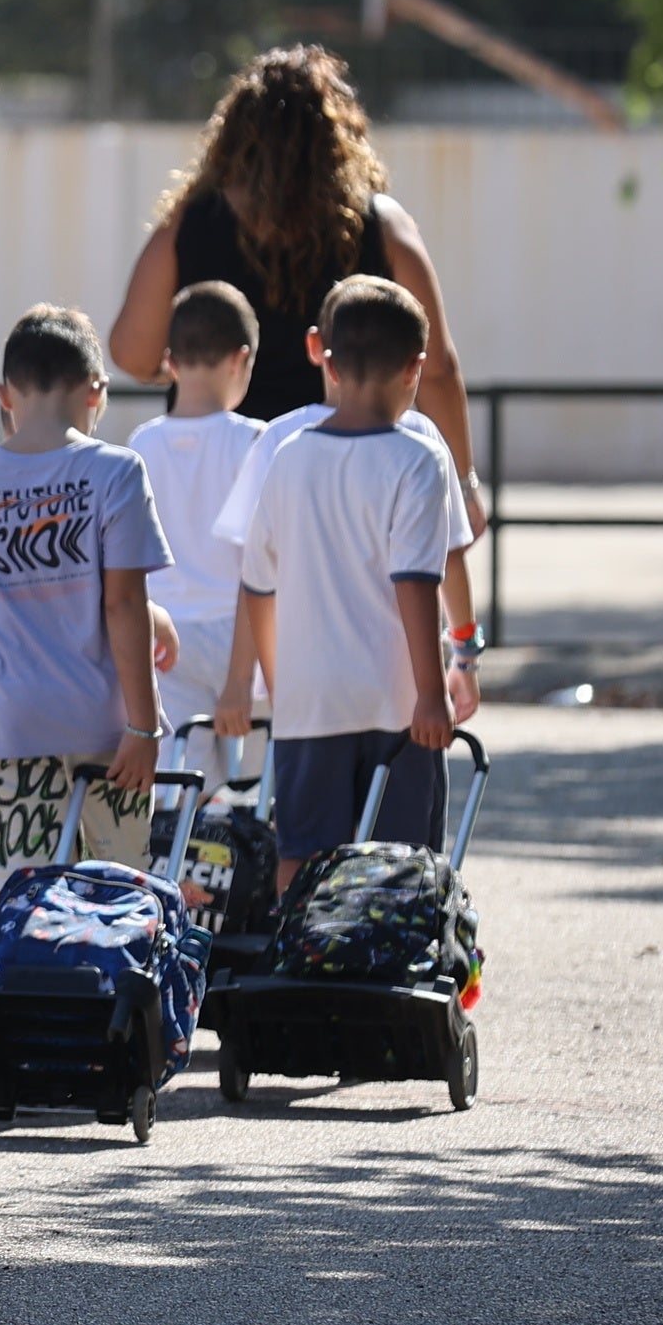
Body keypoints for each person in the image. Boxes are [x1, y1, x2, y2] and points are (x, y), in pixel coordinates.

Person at [107, 45, 485, 532]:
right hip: (348, 474)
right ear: (338, 135)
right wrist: (464, 485)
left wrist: (200, 371)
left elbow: (133, 353)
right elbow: (436, 369)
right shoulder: (381, 225)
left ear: (235, 134)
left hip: (227, 483)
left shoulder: (192, 221)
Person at [0, 307, 174, 940]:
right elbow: (122, 605)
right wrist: (144, 724)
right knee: (118, 890)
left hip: (7, 726)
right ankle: (107, 1002)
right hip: (106, 728)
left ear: (4, 395)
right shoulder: (116, 471)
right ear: (96, 392)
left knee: (7, 886)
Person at [223, 277, 465, 887]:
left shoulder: (289, 455)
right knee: (402, 860)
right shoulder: (419, 459)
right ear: (415, 368)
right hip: (394, 700)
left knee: (301, 853)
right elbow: (416, 583)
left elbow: (257, 585)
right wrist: (431, 693)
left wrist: (280, 683)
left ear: (326, 360)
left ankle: (298, 943)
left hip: (309, 700)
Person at [129, 283, 267, 740]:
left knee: (180, 778)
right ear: (240, 359)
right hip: (243, 637)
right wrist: (240, 677)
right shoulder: (256, 442)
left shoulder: (140, 445)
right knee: (253, 778)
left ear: (170, 362)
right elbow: (261, 563)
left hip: (164, 637)